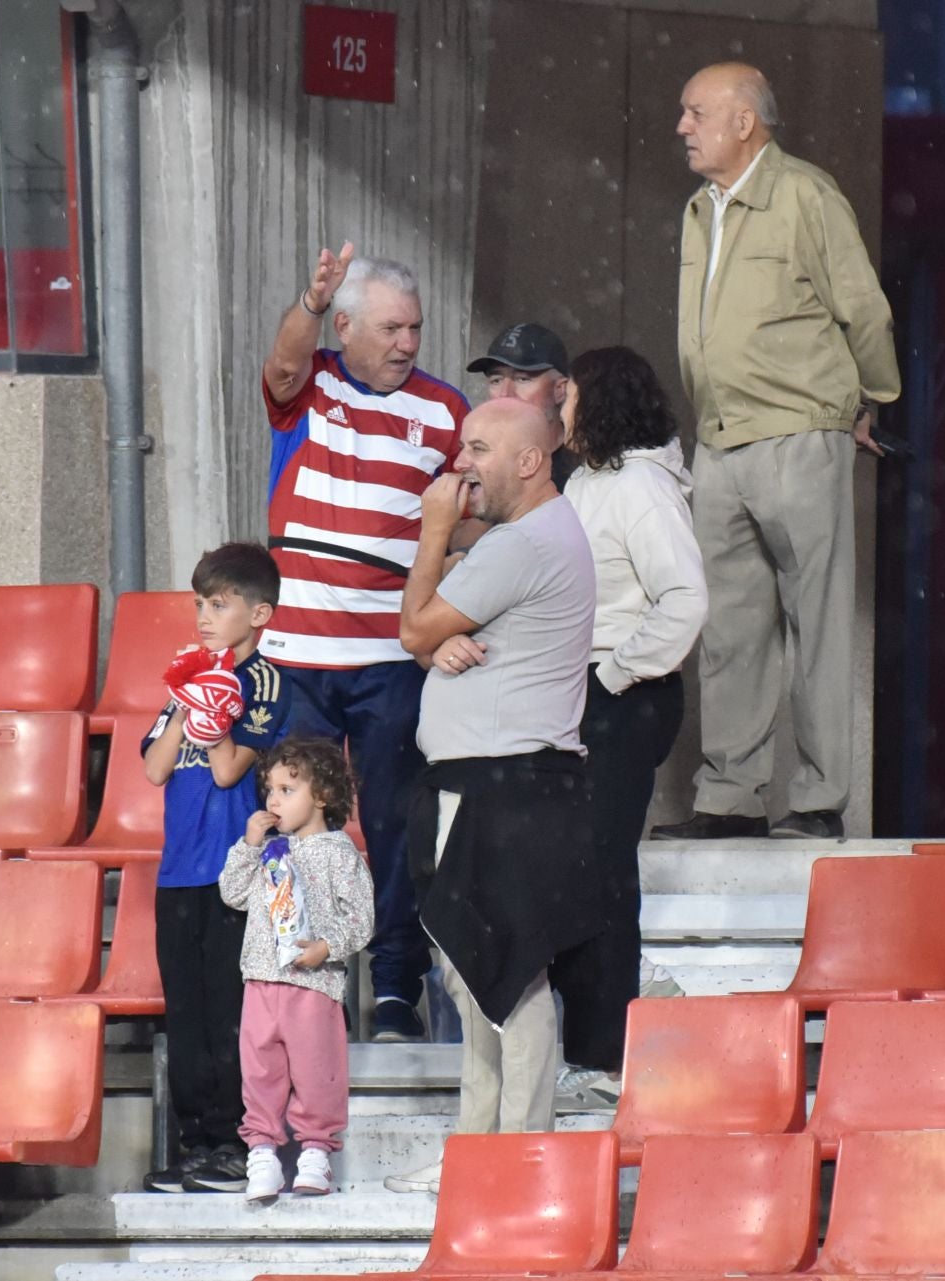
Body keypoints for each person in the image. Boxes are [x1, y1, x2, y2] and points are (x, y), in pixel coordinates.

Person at [652, 62, 901, 844]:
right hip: (721, 440)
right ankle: (731, 795)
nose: (683, 127)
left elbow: (864, 310)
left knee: (816, 622)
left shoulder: (804, 194)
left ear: (743, 123)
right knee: (728, 628)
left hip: (798, 433)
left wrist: (870, 399)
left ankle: (820, 796)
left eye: (696, 113)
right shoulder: (701, 208)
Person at [383, 398, 599, 1195]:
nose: (460, 464)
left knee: (508, 971)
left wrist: (434, 526)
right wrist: (437, 640)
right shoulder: (525, 538)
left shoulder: (529, 541)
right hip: (484, 783)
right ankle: (478, 1153)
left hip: (505, 787)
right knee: (472, 976)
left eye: (477, 448)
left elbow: (411, 628)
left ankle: (518, 1158)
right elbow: (429, 634)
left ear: (529, 461)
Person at [260, 243, 473, 1042]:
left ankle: (393, 990)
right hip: (299, 656)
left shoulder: (446, 410)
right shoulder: (309, 381)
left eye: (415, 328)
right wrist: (306, 302)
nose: (407, 343)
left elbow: (475, 513)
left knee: (393, 826)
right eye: (391, 328)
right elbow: (280, 364)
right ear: (343, 325)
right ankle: (296, 979)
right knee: (293, 824)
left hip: (391, 659)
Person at [545, 346, 708, 1109]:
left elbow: (684, 598)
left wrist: (609, 677)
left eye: (568, 394)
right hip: (581, 695)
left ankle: (608, 1052)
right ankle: (586, 1043)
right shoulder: (587, 480)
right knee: (576, 867)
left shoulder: (642, 485)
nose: (558, 408)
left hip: (624, 694)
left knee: (604, 869)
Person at [140, 542, 291, 1194]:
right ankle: (195, 1141)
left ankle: (238, 1140)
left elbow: (231, 767)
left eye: (220, 603)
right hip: (178, 869)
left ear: (259, 613)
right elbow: (153, 766)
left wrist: (213, 707)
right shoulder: (187, 673)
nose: (204, 615)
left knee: (234, 1011)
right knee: (188, 1011)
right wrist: (185, 701)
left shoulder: (264, 680)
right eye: (200, 602)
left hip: (237, 871)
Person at [218, 737, 375, 1204]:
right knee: (260, 1072)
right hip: (261, 982)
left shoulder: (338, 851)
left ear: (322, 796)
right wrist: (248, 846)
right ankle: (262, 1152)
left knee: (316, 1073)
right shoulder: (269, 850)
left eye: (288, 789)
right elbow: (234, 894)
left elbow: (362, 918)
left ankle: (315, 1154)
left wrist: (326, 947)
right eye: (270, 789)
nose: (273, 800)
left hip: (314, 986)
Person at [466, 321, 578, 489]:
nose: (505, 394)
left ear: (559, 389)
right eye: (496, 380)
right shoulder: (476, 465)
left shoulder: (585, 467)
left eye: (522, 379)